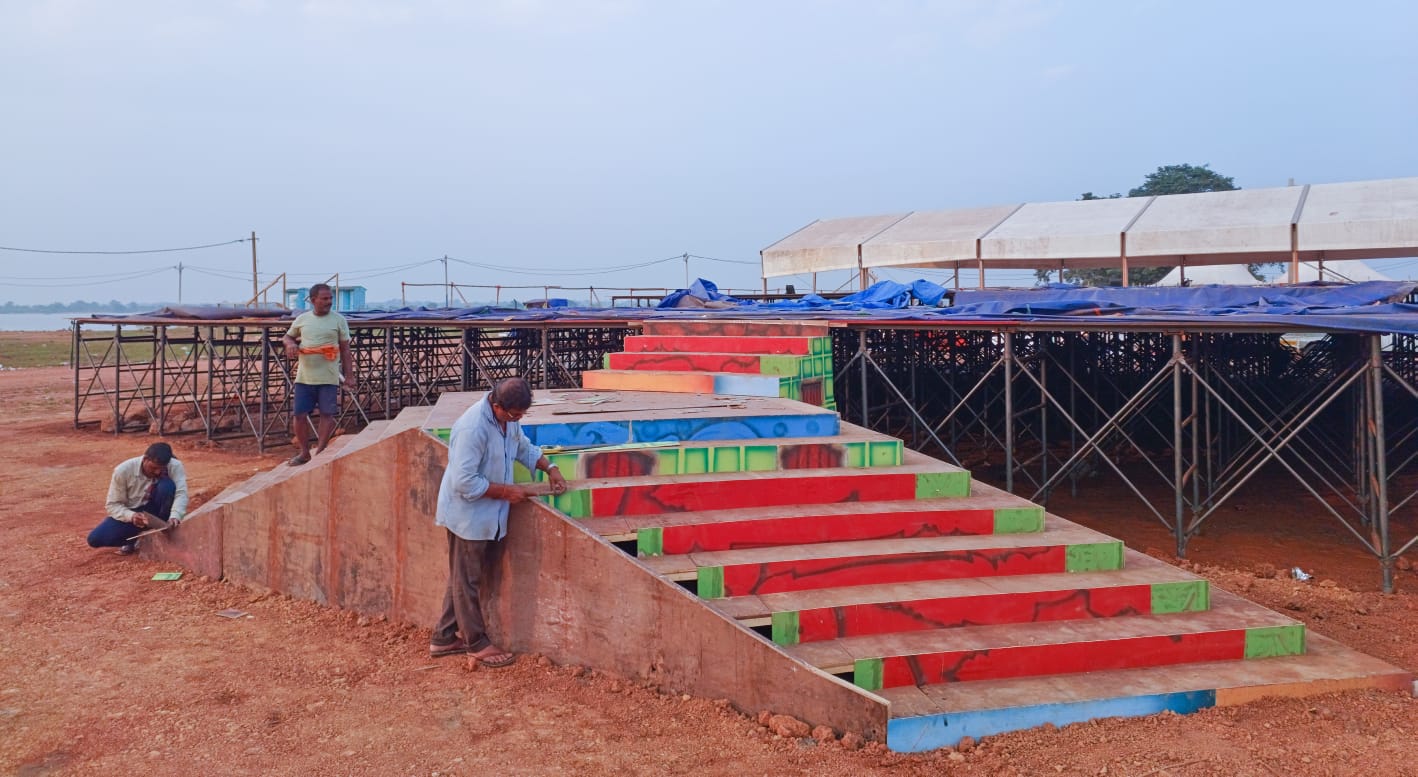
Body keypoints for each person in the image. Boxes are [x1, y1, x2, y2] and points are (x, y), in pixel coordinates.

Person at [431, 377, 568, 668]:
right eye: (514, 415)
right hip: (467, 515)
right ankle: (476, 643)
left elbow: (521, 446)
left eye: (521, 415)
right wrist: (507, 492)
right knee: (467, 580)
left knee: (463, 576)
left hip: (486, 514)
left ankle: (443, 637)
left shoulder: (508, 420)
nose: (518, 419)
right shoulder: (472, 428)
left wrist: (550, 467)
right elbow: (464, 482)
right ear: (497, 406)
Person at [282, 283, 355, 466]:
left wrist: (349, 375)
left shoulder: (339, 320)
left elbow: (345, 350)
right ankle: (304, 453)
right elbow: (288, 336)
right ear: (313, 300)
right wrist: (290, 344)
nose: (329, 301)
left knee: (327, 414)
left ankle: (320, 452)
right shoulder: (302, 319)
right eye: (324, 298)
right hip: (305, 377)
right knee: (299, 415)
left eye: (330, 298)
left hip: (328, 377)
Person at [88, 442, 189, 555]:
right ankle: (135, 539)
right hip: (134, 512)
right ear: (145, 459)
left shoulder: (175, 465)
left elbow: (181, 493)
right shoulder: (123, 471)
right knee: (95, 539)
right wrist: (132, 516)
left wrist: (175, 515)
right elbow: (113, 505)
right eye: (154, 468)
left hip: (158, 509)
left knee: (167, 486)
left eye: (162, 468)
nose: (158, 472)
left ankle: (163, 528)